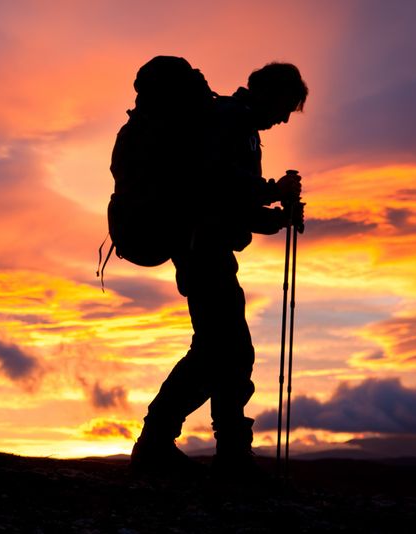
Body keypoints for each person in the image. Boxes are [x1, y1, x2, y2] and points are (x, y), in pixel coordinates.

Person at [130, 62, 308, 479]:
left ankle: (223, 452)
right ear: (267, 92)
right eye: (285, 106)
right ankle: (165, 443)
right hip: (201, 249)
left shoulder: (236, 125)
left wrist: (275, 216)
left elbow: (233, 206)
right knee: (219, 351)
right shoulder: (230, 120)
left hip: (206, 248)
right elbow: (213, 182)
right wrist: (272, 192)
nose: (284, 118)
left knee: (225, 352)